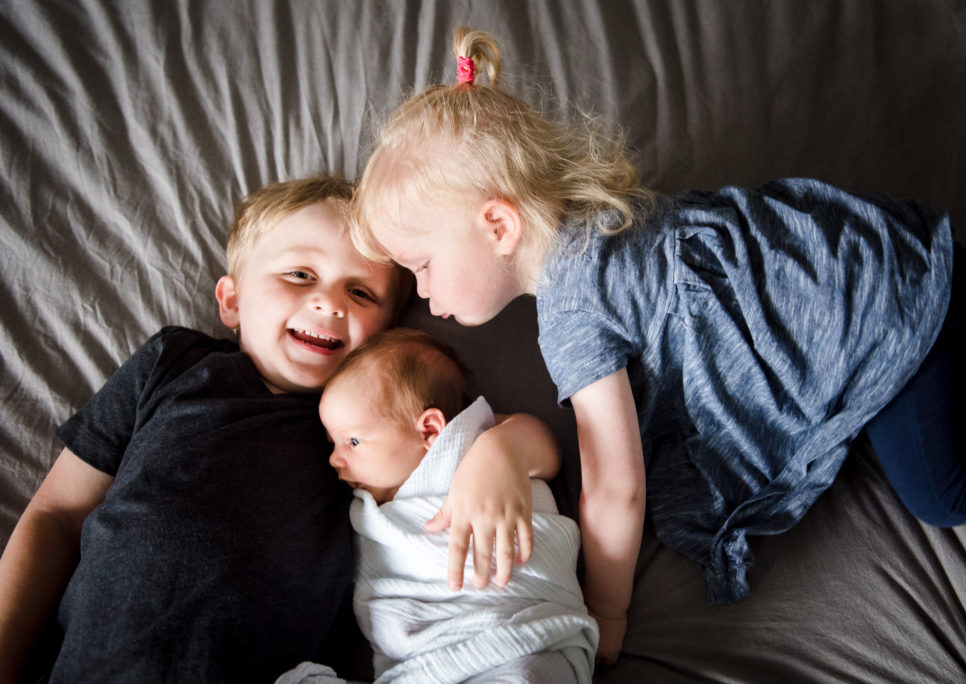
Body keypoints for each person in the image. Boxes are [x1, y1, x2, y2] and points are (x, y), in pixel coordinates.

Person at [348, 27, 966, 665]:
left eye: (423, 266)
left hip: (875, 313)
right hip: (850, 253)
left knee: (947, 496)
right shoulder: (596, 215)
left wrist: (606, 616)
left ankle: (942, 364)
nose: (423, 295)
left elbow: (616, 488)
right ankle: (963, 365)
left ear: (498, 224)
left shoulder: (573, 317)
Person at [0, 175, 561, 683]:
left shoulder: (369, 427)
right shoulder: (173, 363)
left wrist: (503, 451)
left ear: (386, 330)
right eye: (299, 275)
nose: (328, 302)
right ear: (232, 299)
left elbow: (504, 439)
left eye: (360, 293)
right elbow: (56, 514)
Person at [279, 327, 597, 684]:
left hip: (515, 640)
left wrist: (504, 451)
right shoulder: (370, 505)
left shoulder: (473, 447)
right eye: (333, 442)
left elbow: (545, 451)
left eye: (352, 441)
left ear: (430, 430)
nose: (335, 459)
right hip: (421, 662)